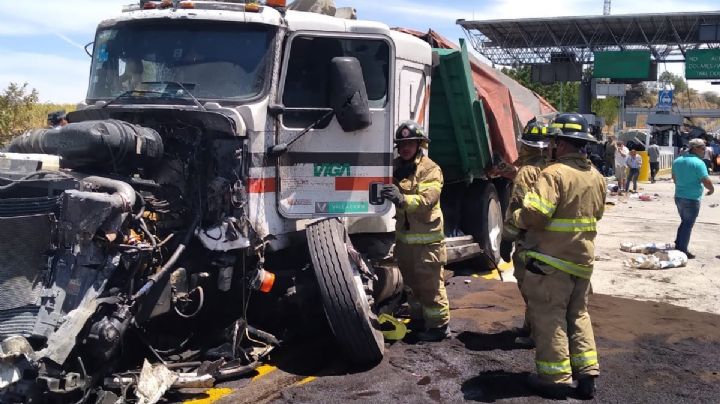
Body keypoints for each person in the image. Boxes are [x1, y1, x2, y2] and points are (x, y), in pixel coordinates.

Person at [508, 113, 605, 399]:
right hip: (581, 262)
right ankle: (587, 374)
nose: (549, 146)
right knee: (578, 315)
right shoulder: (596, 176)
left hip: (551, 261)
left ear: (560, 145)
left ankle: (555, 378)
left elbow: (536, 213)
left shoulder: (554, 173)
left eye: (552, 141)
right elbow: (597, 214)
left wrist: (517, 216)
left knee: (549, 317)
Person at [382, 121, 450, 342]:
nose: (405, 147)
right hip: (405, 242)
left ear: (419, 144)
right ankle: (419, 321)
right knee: (411, 287)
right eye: (401, 144)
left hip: (427, 243)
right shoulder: (395, 167)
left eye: (410, 143)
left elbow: (427, 200)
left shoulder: (430, 169)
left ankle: (439, 327)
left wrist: (401, 199)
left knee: (430, 287)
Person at [500, 119, 554, 346]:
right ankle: (530, 327)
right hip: (552, 241)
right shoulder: (554, 169)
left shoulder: (526, 173)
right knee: (543, 288)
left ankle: (535, 334)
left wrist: (506, 239)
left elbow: (517, 209)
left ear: (526, 145)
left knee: (530, 287)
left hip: (529, 241)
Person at [671, 138, 715, 259]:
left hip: (679, 197)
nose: (704, 151)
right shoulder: (699, 163)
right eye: (702, 149)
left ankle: (678, 243)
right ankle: (682, 250)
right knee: (688, 224)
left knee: (684, 221)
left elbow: (674, 178)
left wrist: (682, 187)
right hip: (692, 199)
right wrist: (711, 189)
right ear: (694, 148)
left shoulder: (678, 160)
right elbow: (706, 180)